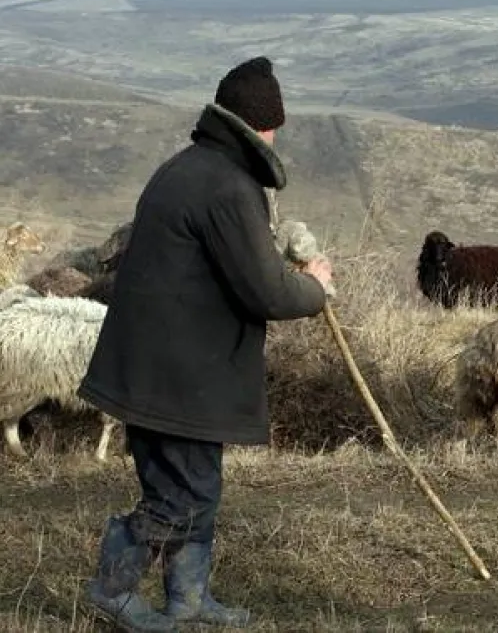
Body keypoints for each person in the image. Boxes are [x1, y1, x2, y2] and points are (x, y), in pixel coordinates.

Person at [77, 56, 333, 632]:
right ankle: (111, 589)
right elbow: (267, 292)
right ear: (262, 126)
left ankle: (189, 600)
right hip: (178, 379)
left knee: (195, 489)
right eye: (275, 127)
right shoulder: (228, 188)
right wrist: (315, 287)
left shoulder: (187, 168)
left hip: (160, 371)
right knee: (182, 498)